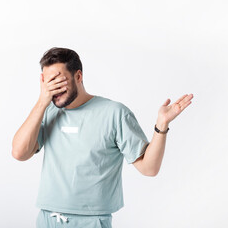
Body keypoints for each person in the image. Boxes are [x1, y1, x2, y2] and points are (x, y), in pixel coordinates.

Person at [11, 47, 194, 228]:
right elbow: (19, 153)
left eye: (59, 81)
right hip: (48, 219)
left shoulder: (114, 113)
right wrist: (42, 101)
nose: (54, 89)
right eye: (48, 83)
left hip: (92, 221)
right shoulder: (47, 111)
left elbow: (149, 168)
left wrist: (161, 125)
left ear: (78, 77)